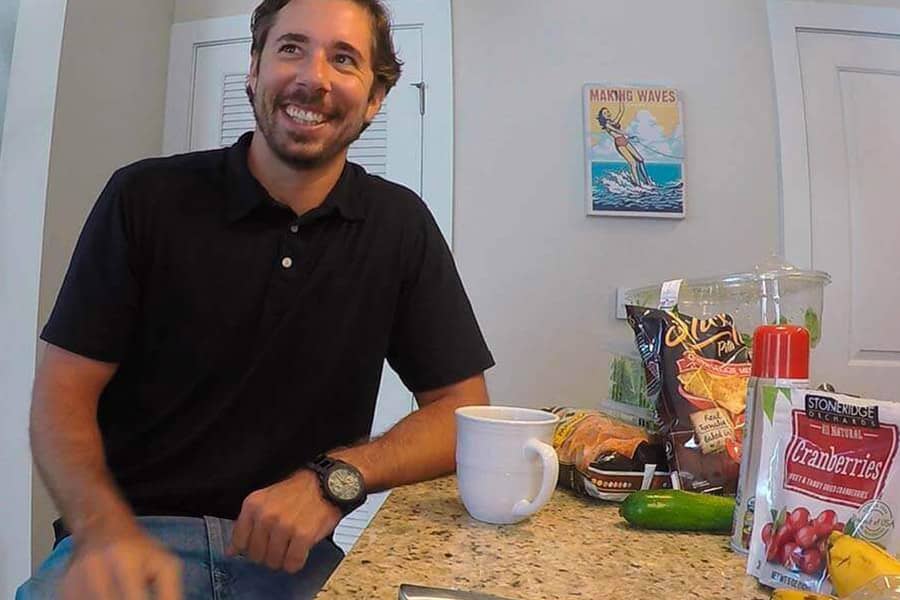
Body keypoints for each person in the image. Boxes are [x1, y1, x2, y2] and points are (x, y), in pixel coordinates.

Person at [17, 0, 494, 598]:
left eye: (343, 59)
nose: (312, 77)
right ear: (254, 69)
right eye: (291, 47)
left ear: (375, 98)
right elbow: (61, 395)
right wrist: (102, 530)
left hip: (292, 560)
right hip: (128, 541)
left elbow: (461, 412)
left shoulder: (400, 225)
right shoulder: (144, 197)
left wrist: (333, 480)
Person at [597, 105, 652, 186]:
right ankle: (638, 184)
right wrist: (629, 135)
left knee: (640, 159)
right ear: (602, 117)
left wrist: (620, 100)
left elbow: (621, 111)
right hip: (619, 143)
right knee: (633, 163)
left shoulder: (613, 122)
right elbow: (617, 131)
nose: (607, 113)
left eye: (608, 111)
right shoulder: (607, 125)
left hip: (625, 140)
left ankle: (648, 181)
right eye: (605, 113)